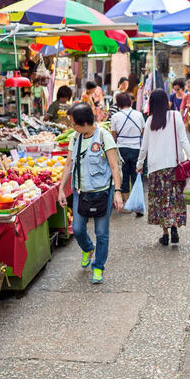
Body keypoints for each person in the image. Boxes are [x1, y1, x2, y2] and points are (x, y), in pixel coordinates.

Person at [57, 103, 124, 285]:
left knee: (101, 232)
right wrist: (61, 188)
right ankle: (88, 247)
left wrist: (117, 192)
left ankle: (98, 267)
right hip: (81, 192)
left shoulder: (104, 137)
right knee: (77, 229)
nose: (72, 128)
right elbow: (69, 164)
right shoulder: (75, 138)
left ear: (84, 122)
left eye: (74, 124)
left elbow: (113, 166)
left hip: (102, 192)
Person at [136, 91, 190, 247]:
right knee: (174, 199)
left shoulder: (150, 121)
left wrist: (139, 164)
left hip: (156, 168)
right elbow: (183, 140)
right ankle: (174, 227)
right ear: (166, 102)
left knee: (161, 201)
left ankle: (165, 234)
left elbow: (144, 147)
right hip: (174, 167)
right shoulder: (175, 116)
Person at [109, 92, 146, 214]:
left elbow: (113, 136)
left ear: (118, 104)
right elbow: (143, 133)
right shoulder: (139, 115)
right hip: (137, 149)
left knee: (123, 176)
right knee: (136, 176)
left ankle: (128, 202)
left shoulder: (115, 116)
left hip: (121, 149)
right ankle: (138, 205)